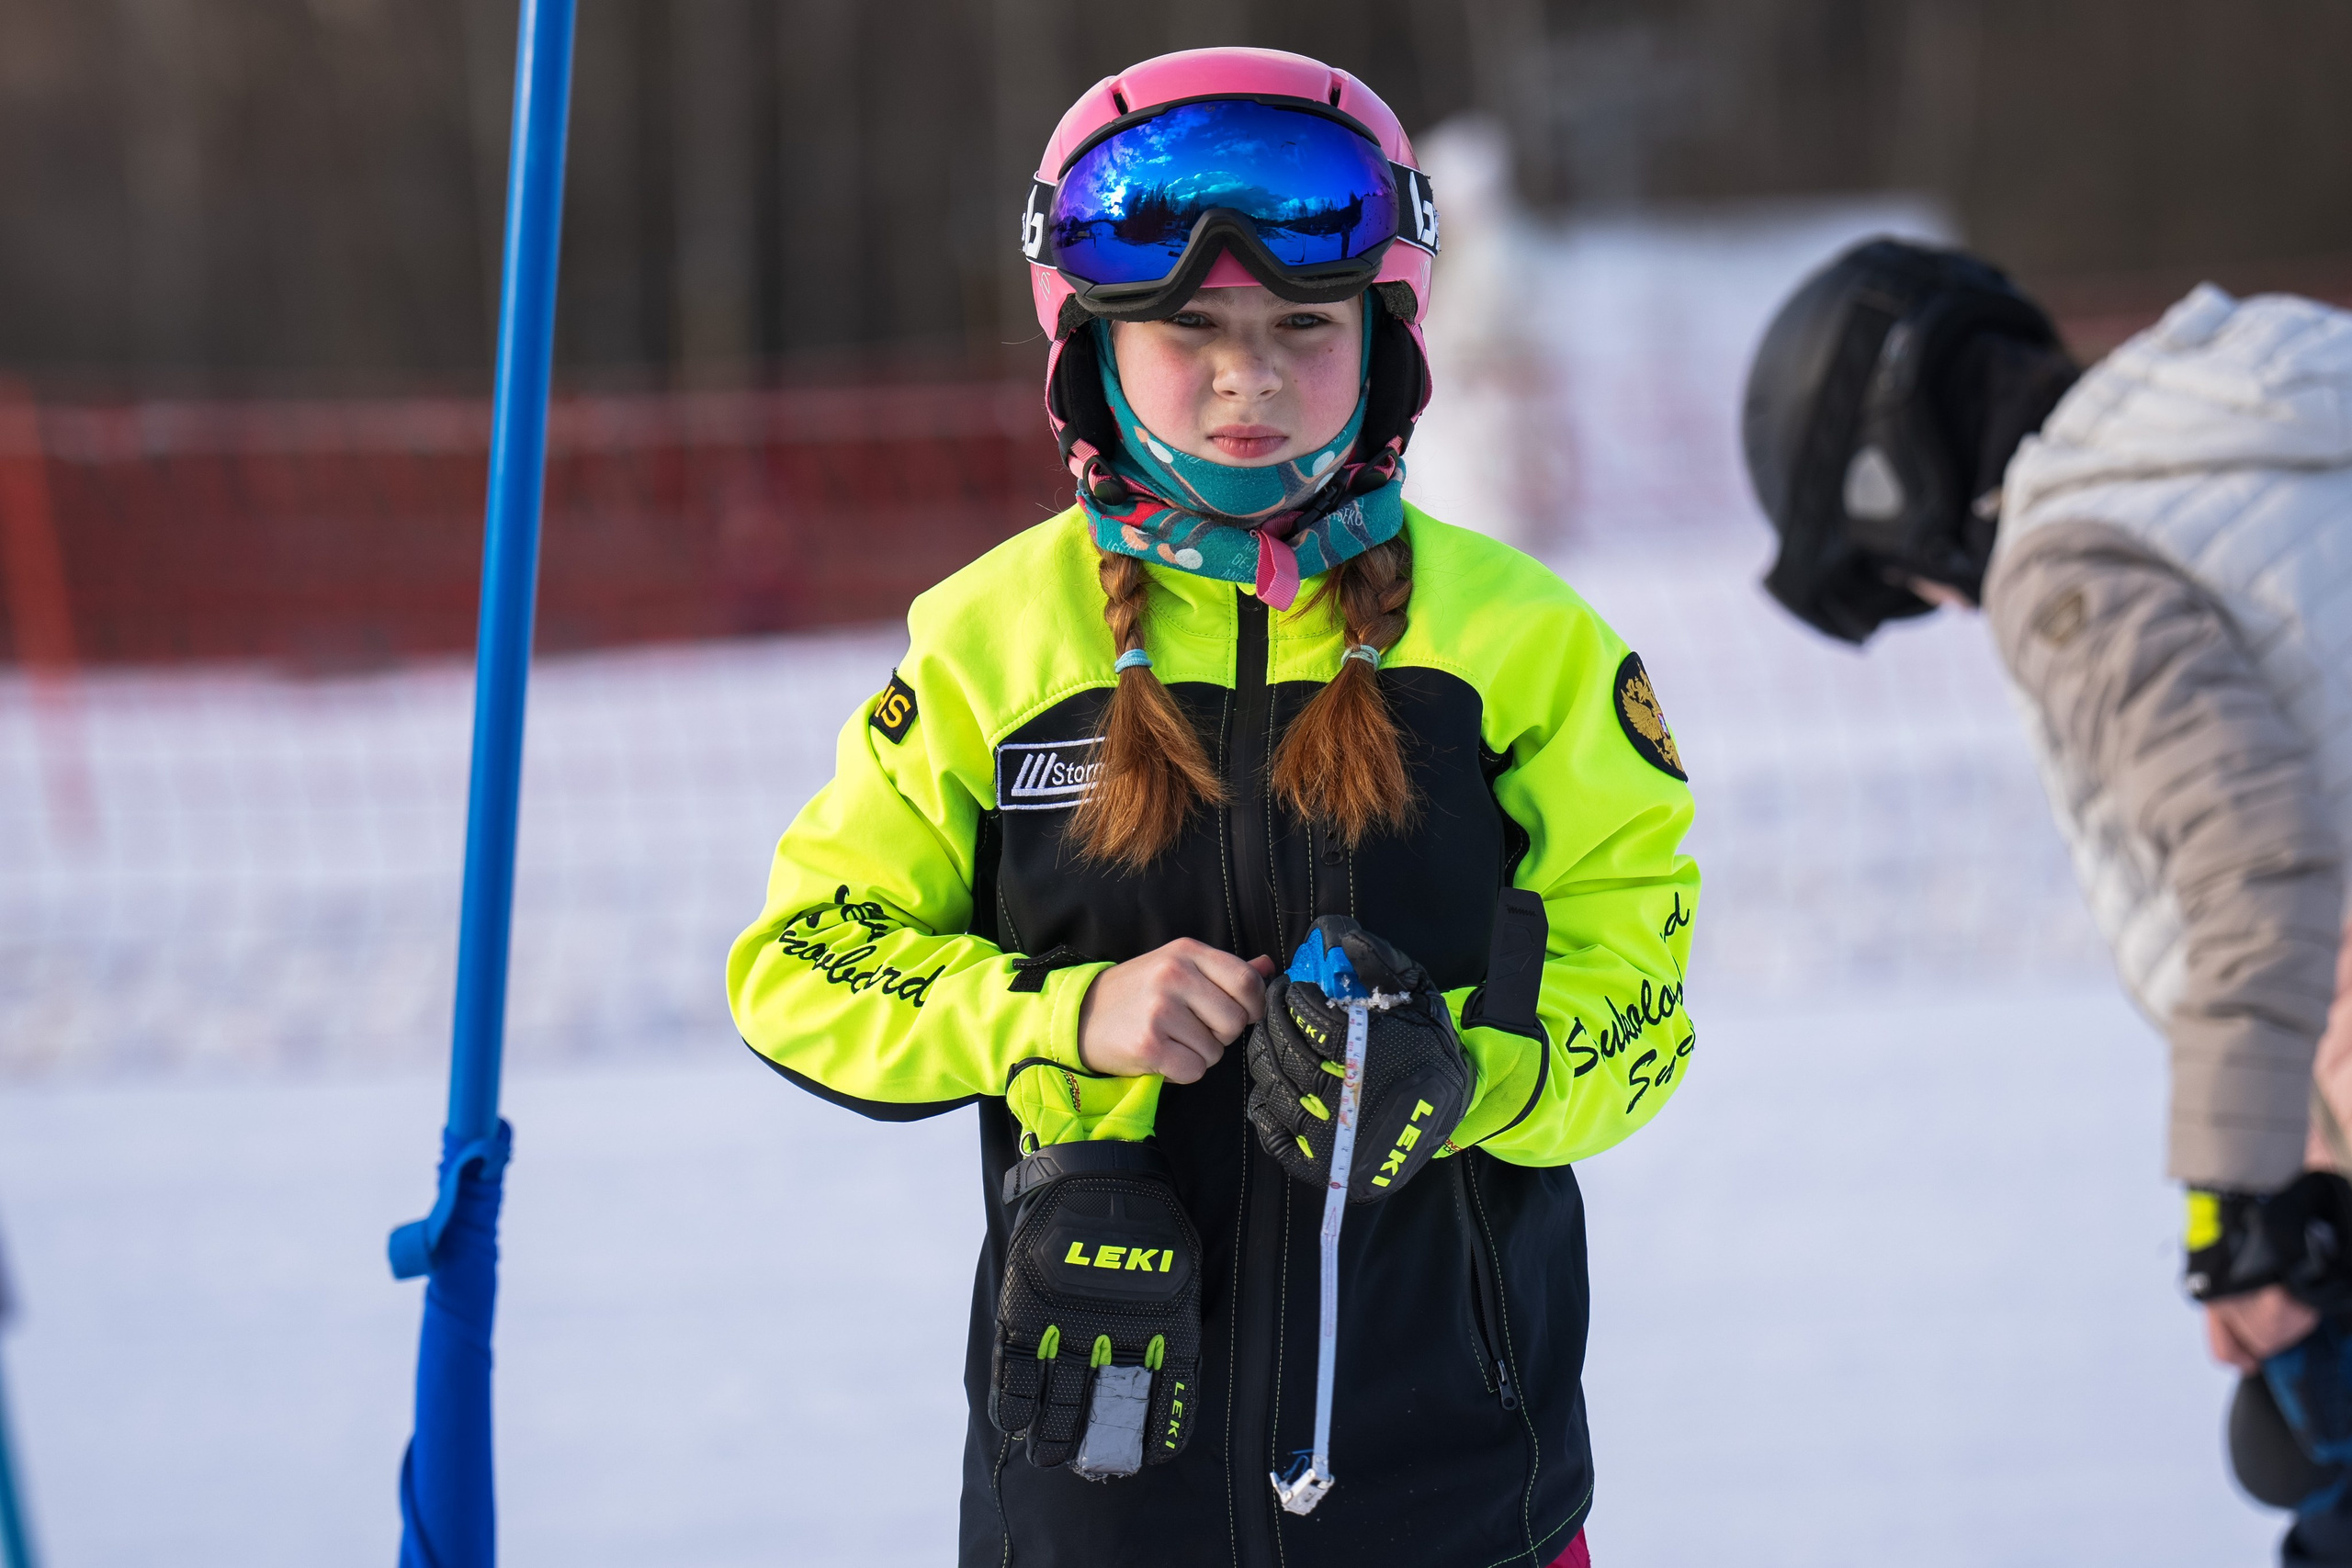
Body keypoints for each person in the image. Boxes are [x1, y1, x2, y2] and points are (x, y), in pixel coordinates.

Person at [729, 46, 1700, 1568]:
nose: (1250, 378)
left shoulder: (1529, 649)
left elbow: (1640, 1016)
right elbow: (803, 968)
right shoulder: (992, 646)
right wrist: (1068, 1016)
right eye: (1191, 329)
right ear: (1091, 349)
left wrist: (1466, 1076)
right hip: (1095, 1508)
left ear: (1385, 343)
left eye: (1305, 326)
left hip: (1457, 1511)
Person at [1740, 237, 2352, 1561]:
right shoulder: (2280, 404)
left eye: (1903, 580)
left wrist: (2237, 1211)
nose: (1948, 604)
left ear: (1893, 487)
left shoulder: (2072, 555)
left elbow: (2259, 859)